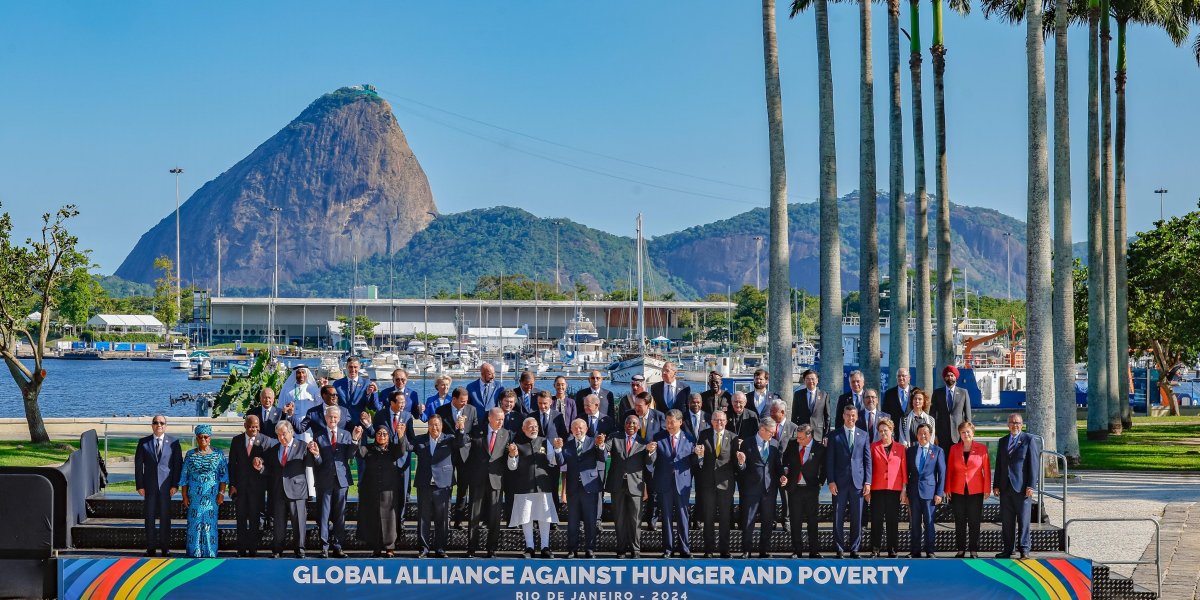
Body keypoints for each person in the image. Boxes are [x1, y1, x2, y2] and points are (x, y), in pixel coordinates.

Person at [308, 405, 361, 558]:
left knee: (340, 515)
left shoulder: (346, 435)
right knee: (324, 515)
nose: (332, 419)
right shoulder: (318, 436)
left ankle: (338, 546)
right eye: (330, 417)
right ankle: (324, 547)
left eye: (335, 417)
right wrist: (317, 455)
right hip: (324, 480)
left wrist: (355, 440)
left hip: (341, 480)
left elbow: (350, 455)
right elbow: (316, 462)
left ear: (339, 419)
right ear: (325, 418)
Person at [597, 415, 652, 559]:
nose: (631, 425)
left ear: (639, 426)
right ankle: (621, 549)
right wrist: (601, 444)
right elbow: (602, 454)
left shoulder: (643, 442)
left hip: (636, 485)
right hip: (617, 484)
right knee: (619, 518)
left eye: (634, 423)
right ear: (624, 424)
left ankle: (635, 550)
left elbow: (648, 463)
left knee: (635, 520)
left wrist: (651, 452)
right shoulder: (615, 438)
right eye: (628, 422)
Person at [507, 417, 562, 558]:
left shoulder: (545, 441)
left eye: (536, 426)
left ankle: (545, 547)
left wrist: (557, 449)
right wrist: (512, 456)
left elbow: (553, 461)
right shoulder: (517, 444)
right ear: (524, 429)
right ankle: (529, 547)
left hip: (543, 486)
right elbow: (512, 467)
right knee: (526, 517)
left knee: (545, 516)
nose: (534, 429)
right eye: (530, 426)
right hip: (524, 486)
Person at [362, 390, 417, 533]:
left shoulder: (407, 416)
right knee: (387, 496)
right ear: (392, 403)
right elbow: (376, 434)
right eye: (400, 402)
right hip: (385, 463)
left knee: (403, 494)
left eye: (404, 402)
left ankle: (401, 523)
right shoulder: (381, 415)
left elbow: (412, 440)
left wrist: (404, 445)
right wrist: (368, 426)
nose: (403, 405)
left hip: (402, 461)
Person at [463, 408, 513, 557]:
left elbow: (506, 457)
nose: (500, 422)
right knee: (474, 515)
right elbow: (466, 451)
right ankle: (471, 548)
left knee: (495, 517)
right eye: (498, 419)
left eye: (502, 419)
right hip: (477, 479)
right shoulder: (476, 431)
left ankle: (491, 548)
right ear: (490, 418)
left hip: (496, 480)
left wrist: (512, 455)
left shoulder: (506, 434)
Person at [649, 410, 697, 558]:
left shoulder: (690, 438)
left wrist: (699, 455)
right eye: (667, 421)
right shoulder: (658, 437)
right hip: (664, 482)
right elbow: (652, 461)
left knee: (683, 517)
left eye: (672, 422)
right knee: (667, 517)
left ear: (680, 422)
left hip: (682, 483)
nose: (668, 425)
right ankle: (668, 549)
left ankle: (684, 548)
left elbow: (694, 463)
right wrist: (650, 453)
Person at [826, 404, 872, 558]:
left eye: (853, 415)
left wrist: (868, 482)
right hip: (839, 483)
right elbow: (829, 460)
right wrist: (831, 481)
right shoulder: (834, 435)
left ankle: (854, 548)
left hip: (858, 483)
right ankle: (839, 548)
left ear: (857, 417)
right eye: (847, 415)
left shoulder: (864, 435)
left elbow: (867, 461)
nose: (850, 418)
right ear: (843, 416)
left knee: (857, 517)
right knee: (838, 516)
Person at [414, 415, 462, 558]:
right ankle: (424, 548)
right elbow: (407, 446)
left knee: (442, 519)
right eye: (431, 425)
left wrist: (460, 429)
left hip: (443, 485)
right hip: (424, 484)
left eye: (437, 425)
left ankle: (440, 548)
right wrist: (401, 435)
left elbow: (461, 442)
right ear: (427, 426)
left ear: (441, 425)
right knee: (423, 518)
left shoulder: (450, 438)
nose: (434, 428)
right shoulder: (420, 440)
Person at [993, 413, 1040, 559]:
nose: (1015, 425)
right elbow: (999, 464)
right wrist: (996, 485)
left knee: (1023, 520)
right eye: (1012, 422)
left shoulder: (1029, 440)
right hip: (1005, 488)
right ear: (1008, 425)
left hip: (1022, 488)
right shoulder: (1003, 441)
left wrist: (1031, 485)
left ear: (1022, 424)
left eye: (1018, 423)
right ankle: (1008, 549)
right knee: (1007, 521)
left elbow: (1034, 464)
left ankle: (1024, 549)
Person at [134, 415, 182, 557]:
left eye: (161, 423)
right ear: (152, 425)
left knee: (165, 518)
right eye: (156, 422)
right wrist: (139, 485)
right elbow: (138, 466)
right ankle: (150, 548)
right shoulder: (143, 443)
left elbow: (177, 465)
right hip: (149, 487)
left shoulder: (174, 442)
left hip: (167, 488)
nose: (158, 425)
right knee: (149, 517)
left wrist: (175, 484)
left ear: (165, 425)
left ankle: (165, 548)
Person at [357, 427, 409, 557]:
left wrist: (401, 436)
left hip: (389, 490)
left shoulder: (392, 449)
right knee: (374, 518)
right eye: (379, 433)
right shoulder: (369, 449)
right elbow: (358, 453)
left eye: (385, 434)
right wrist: (356, 438)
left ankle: (390, 548)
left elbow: (401, 451)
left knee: (390, 520)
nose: (382, 436)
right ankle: (376, 548)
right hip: (371, 490)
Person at [266, 420, 315, 558]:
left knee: (299, 522)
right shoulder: (274, 449)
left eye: (284, 434)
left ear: (291, 432)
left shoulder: (302, 446)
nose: (281, 437)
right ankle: (277, 549)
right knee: (279, 524)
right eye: (279, 435)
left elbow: (312, 464)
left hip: (297, 491)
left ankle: (299, 549)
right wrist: (261, 468)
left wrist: (315, 453)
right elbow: (271, 470)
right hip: (279, 491)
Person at [178, 424, 228, 558]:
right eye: (200, 437)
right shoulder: (190, 454)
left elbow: (223, 476)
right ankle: (194, 552)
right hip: (194, 497)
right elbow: (184, 476)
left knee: (210, 525)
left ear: (210, 438)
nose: (203, 440)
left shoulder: (218, 454)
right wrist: (184, 495)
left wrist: (221, 494)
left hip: (212, 497)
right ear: (197, 438)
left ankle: (210, 553)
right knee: (195, 524)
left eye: (206, 437)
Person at [694, 410, 737, 558]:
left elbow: (736, 463)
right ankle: (709, 550)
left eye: (722, 420)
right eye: (716, 420)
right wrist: (699, 456)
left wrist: (742, 461)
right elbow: (699, 460)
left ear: (726, 421)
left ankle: (725, 550)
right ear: (711, 421)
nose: (719, 423)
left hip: (725, 484)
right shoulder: (703, 435)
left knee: (725, 518)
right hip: (708, 484)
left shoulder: (733, 437)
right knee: (708, 518)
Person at [738, 418, 783, 558]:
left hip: (769, 489)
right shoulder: (747, 443)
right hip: (751, 489)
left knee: (768, 521)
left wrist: (782, 475)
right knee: (748, 521)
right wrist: (741, 463)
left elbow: (777, 466)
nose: (772, 435)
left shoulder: (775, 444)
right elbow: (742, 469)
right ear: (762, 429)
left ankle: (764, 550)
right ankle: (746, 550)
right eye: (770, 432)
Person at [560, 418, 605, 558]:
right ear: (571, 430)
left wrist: (601, 446)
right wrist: (557, 449)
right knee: (573, 521)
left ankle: (589, 548)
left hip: (590, 487)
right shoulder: (567, 445)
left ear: (586, 429)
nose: (578, 430)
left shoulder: (593, 442)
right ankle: (572, 549)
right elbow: (561, 462)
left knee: (590, 520)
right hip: (573, 488)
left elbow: (602, 458)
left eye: (581, 428)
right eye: (575, 428)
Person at [782, 423, 826, 558]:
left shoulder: (819, 448)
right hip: (795, 489)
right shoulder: (792, 444)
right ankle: (797, 551)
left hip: (811, 490)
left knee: (812, 521)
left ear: (809, 436)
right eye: (797, 437)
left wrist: (820, 483)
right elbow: (785, 461)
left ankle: (814, 551)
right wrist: (785, 473)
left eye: (801, 438)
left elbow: (824, 468)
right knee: (795, 521)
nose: (798, 440)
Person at [437, 387, 479, 528]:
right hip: (447, 453)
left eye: (466, 401)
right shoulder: (441, 411)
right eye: (462, 401)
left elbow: (474, 432)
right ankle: (445, 519)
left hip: (465, 454)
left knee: (462, 488)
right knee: (446, 487)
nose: (464, 404)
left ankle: (459, 520)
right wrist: (454, 435)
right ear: (453, 399)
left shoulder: (471, 410)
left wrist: (462, 434)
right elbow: (439, 433)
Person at [948, 421, 991, 558]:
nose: (965, 434)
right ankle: (961, 549)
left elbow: (987, 470)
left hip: (976, 490)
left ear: (973, 433)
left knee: (974, 521)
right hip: (957, 490)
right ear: (959, 434)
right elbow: (949, 470)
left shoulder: (982, 448)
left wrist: (987, 489)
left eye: (968, 432)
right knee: (959, 521)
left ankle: (973, 549)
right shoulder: (954, 449)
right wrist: (947, 488)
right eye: (963, 432)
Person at [229, 415, 270, 556]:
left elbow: (270, 464)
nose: (255, 429)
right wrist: (232, 485)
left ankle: (253, 549)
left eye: (257, 426)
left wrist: (262, 466)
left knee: (255, 520)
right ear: (245, 426)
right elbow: (232, 465)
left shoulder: (265, 441)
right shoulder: (237, 440)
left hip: (257, 488)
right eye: (252, 426)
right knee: (240, 519)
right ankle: (241, 549)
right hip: (240, 488)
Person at [867, 417, 906, 558]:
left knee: (892, 521)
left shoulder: (901, 448)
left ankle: (892, 549)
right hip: (877, 489)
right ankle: (875, 549)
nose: (883, 433)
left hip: (894, 490)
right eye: (880, 431)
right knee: (876, 520)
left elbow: (904, 470)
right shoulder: (873, 447)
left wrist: (904, 490)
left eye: (886, 430)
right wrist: (868, 488)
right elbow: (868, 469)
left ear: (892, 430)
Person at [906, 423, 946, 558]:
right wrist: (905, 491)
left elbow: (942, 473)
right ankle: (915, 551)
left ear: (930, 435)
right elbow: (906, 473)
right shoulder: (910, 451)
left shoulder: (937, 451)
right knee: (915, 523)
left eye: (925, 433)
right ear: (916, 435)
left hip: (930, 492)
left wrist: (939, 493)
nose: (923, 435)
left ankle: (930, 550)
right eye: (920, 433)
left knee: (929, 523)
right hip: (913, 492)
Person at [931, 366, 972, 455]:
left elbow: (968, 416)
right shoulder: (937, 393)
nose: (950, 378)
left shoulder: (963, 392)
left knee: (958, 462)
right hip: (942, 435)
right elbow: (932, 415)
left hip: (958, 435)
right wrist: (934, 435)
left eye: (952, 375)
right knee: (943, 462)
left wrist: (967, 434)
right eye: (947, 376)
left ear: (956, 377)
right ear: (944, 378)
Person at [791, 369, 830, 442]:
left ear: (817, 380)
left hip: (818, 434)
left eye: (813, 379)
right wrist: (795, 433)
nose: (810, 381)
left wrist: (826, 435)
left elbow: (827, 417)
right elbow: (794, 415)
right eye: (808, 379)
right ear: (804, 381)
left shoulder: (824, 395)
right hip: (802, 434)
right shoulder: (798, 394)